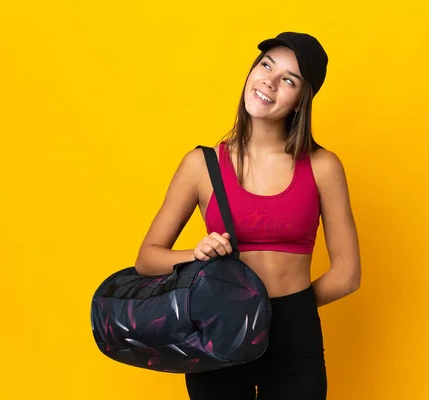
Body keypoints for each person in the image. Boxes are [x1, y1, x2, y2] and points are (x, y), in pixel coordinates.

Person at [134, 31, 361, 400]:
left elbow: (348, 275)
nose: (268, 81)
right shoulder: (201, 165)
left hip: (294, 340)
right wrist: (198, 256)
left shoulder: (323, 167)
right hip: (217, 334)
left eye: (288, 79)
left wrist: (284, 311)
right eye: (265, 65)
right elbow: (147, 258)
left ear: (302, 100)